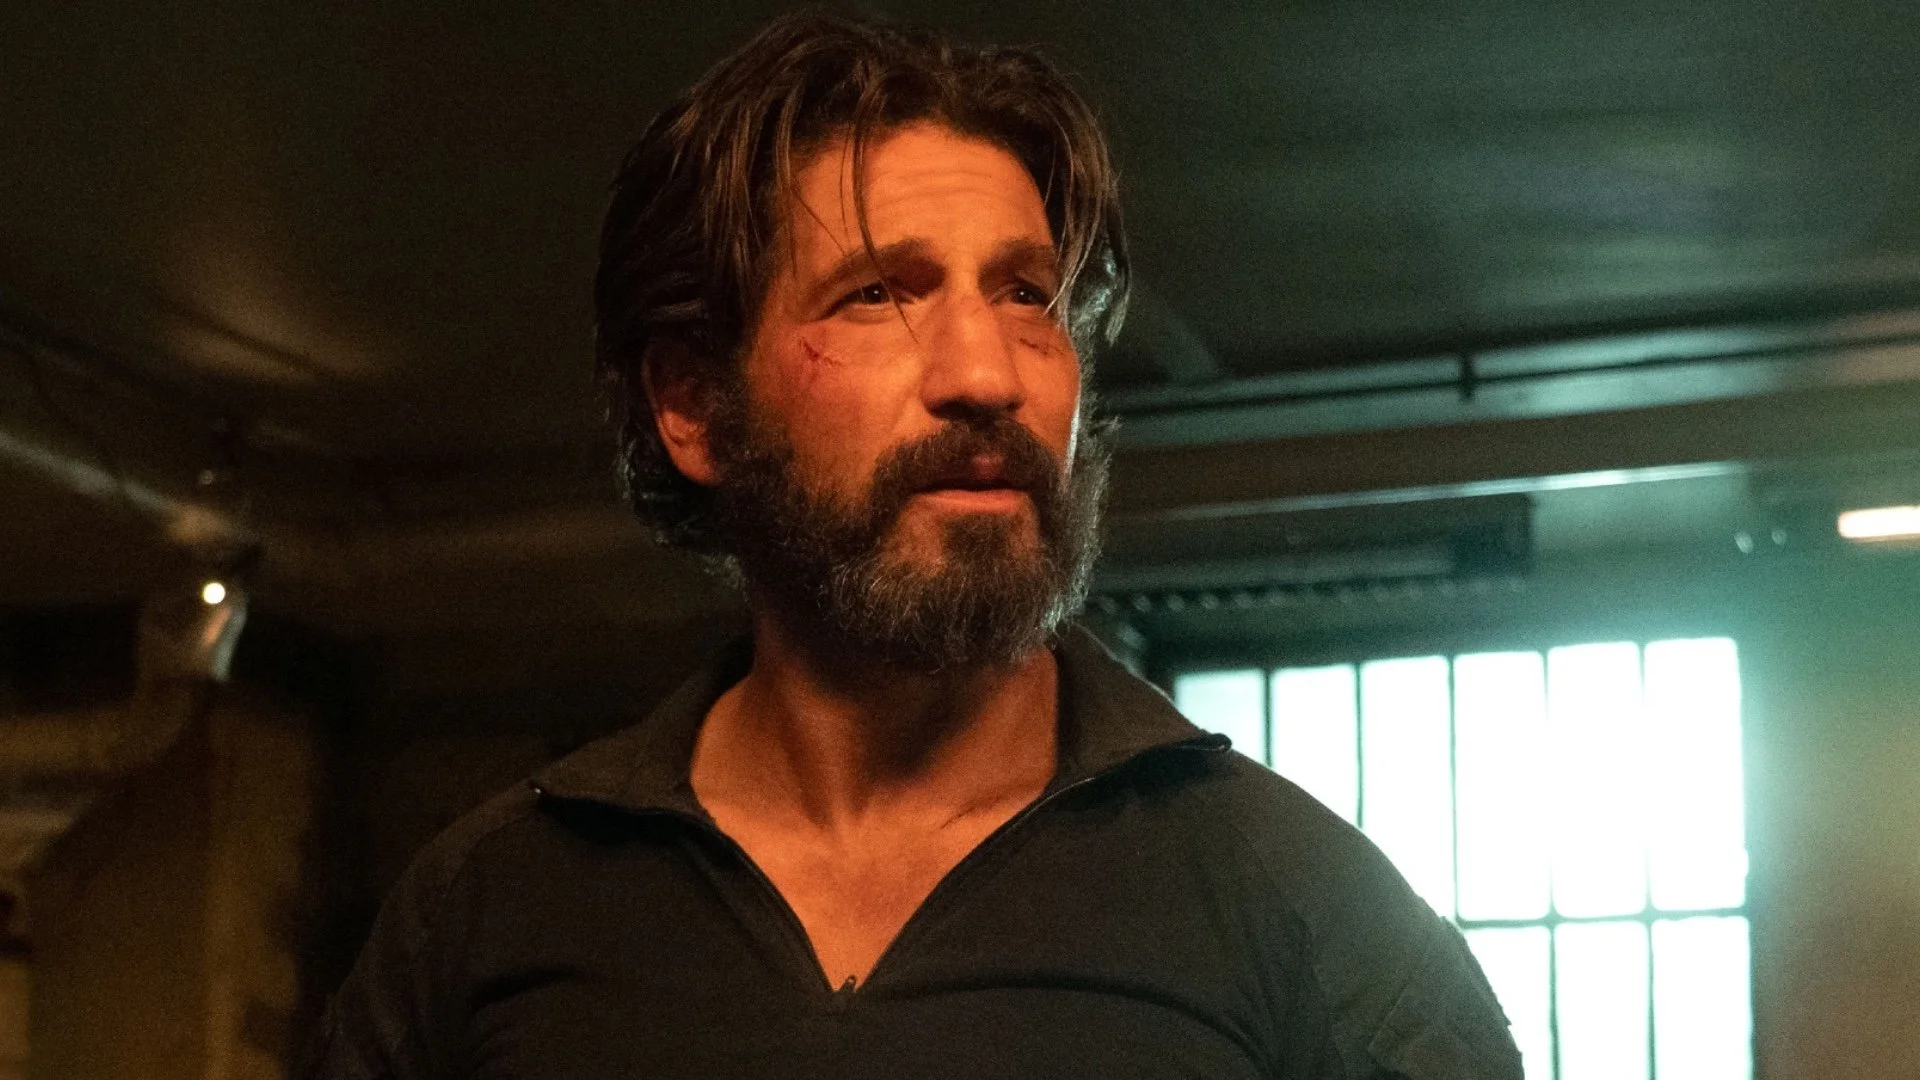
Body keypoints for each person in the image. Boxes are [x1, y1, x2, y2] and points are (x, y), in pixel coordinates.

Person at [309, 11, 1523, 1079]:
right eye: (879, 294)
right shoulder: (490, 912)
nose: (986, 374)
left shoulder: (1307, 915)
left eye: (1027, 294)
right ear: (692, 406)